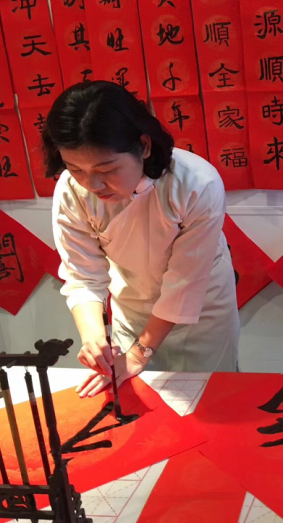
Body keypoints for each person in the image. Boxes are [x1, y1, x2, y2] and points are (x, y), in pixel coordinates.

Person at [45, 81, 240, 398]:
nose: (92, 184)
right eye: (75, 168)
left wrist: (139, 354)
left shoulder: (195, 183)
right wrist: (94, 336)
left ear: (144, 146)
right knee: (139, 405)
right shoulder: (71, 190)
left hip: (202, 313)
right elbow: (83, 275)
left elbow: (184, 283)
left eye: (107, 169)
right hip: (132, 308)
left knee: (209, 400)